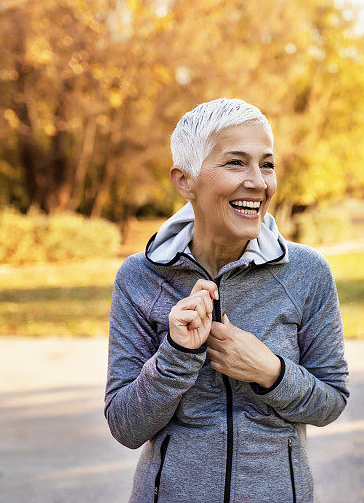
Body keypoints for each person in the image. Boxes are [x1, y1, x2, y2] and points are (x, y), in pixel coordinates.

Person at [104, 98, 350, 503]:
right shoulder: (140, 277)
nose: (258, 181)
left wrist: (270, 371)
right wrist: (176, 356)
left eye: (266, 164)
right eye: (236, 163)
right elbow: (125, 427)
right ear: (185, 181)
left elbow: (331, 401)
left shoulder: (307, 272)